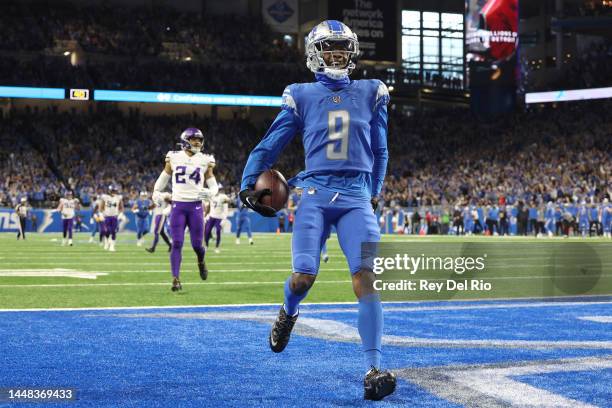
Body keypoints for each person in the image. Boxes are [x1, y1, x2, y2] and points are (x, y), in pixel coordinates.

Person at [239, 20, 395, 401]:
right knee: (303, 277)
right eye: (329, 48)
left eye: (343, 47)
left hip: (356, 194)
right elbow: (270, 144)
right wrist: (247, 182)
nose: (337, 54)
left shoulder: (372, 91)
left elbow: (380, 151)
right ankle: (288, 311)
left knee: (366, 277)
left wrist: (373, 192)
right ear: (315, 53)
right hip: (314, 191)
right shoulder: (301, 95)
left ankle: (373, 367)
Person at [152, 127, 217, 292]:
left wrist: (211, 192)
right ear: (185, 141)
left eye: (200, 140)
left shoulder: (205, 159)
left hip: (195, 207)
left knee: (197, 246)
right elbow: (164, 177)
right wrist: (156, 191)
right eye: (195, 139)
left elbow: (212, 183)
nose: (198, 142)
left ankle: (201, 261)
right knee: (177, 243)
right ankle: (175, 278)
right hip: (178, 206)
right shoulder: (173, 157)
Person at [100, 185, 124, 252]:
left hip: (114, 217)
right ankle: (107, 241)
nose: (114, 192)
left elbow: (121, 207)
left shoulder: (118, 198)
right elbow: (101, 207)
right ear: (109, 191)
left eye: (114, 191)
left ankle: (112, 246)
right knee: (107, 231)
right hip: (107, 216)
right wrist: (101, 214)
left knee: (113, 231)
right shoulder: (105, 197)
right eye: (112, 191)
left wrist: (121, 213)